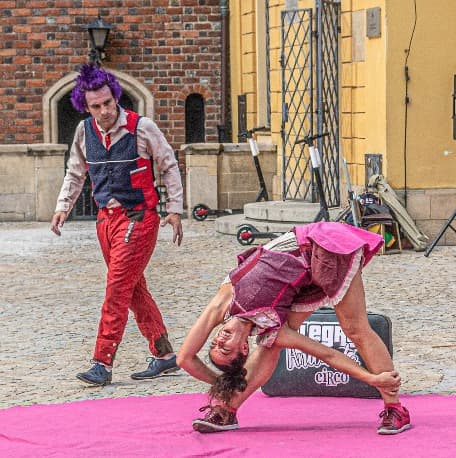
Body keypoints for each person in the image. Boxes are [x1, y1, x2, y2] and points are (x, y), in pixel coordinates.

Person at [177, 221, 411, 435]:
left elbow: (184, 359)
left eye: (215, 344)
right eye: (226, 349)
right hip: (304, 275)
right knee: (270, 346)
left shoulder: (222, 303)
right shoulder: (272, 328)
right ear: (243, 348)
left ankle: (395, 408)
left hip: (324, 243)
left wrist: (220, 382)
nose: (219, 340)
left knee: (355, 328)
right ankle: (227, 409)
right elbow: (324, 353)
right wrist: (371, 378)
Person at [50, 63, 184, 386]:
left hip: (139, 218)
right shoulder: (84, 131)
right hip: (105, 222)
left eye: (108, 102)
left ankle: (102, 362)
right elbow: (75, 172)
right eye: (95, 106)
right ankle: (165, 354)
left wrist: (176, 209)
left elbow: (168, 164)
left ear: (115, 97)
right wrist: (62, 207)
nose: (104, 110)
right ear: (86, 106)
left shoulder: (142, 127)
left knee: (117, 289)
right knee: (133, 287)